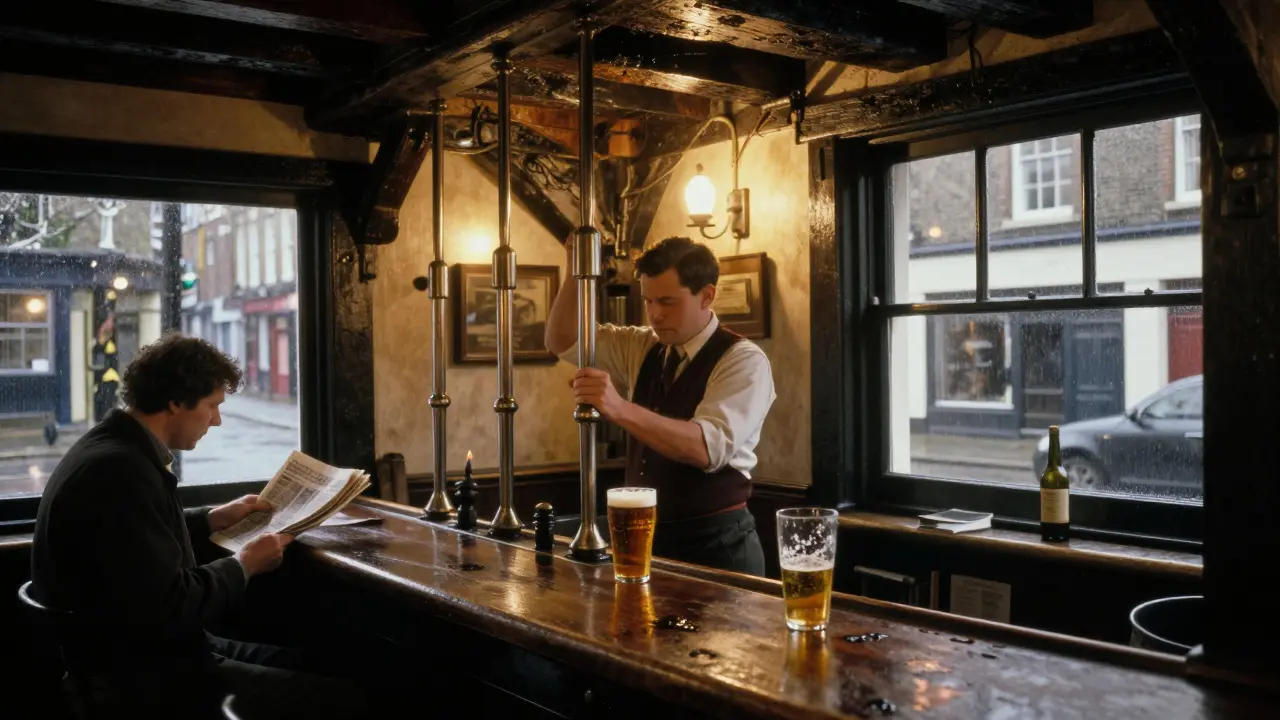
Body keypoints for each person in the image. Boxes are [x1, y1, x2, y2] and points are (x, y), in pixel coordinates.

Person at [30, 333, 369, 719]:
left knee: (326, 664)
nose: (217, 419)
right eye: (212, 405)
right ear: (175, 402)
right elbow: (171, 605)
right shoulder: (119, 470)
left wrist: (210, 519)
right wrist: (246, 564)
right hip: (151, 680)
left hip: (153, 655)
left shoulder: (111, 449)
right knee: (349, 698)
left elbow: (134, 544)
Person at [545, 235, 776, 576]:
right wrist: (575, 270)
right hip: (649, 542)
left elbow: (705, 448)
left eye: (667, 302)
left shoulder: (743, 360)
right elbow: (562, 340)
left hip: (717, 548)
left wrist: (619, 408)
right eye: (649, 301)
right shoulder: (643, 347)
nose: (655, 315)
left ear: (707, 296)